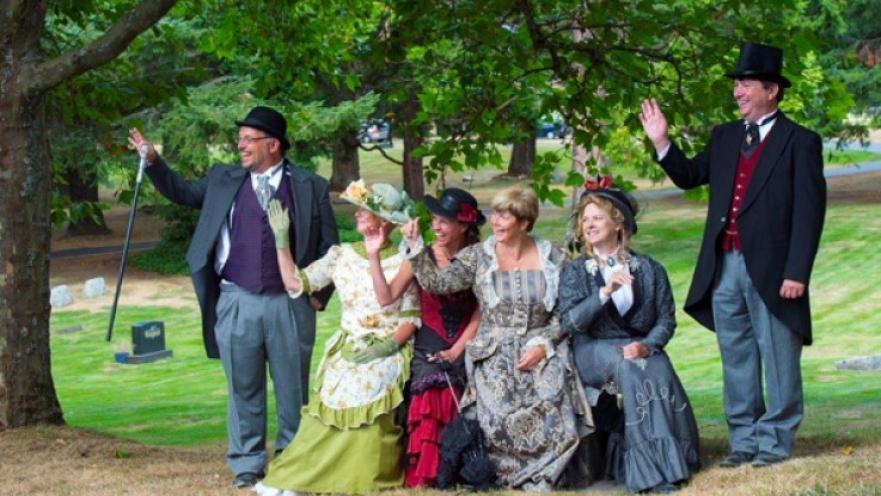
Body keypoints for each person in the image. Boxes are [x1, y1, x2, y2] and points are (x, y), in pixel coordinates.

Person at [127, 106, 339, 488]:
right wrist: (155, 161)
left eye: (248, 139)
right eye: (239, 138)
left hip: (290, 304)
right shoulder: (223, 179)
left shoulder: (310, 186)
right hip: (236, 300)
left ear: (273, 145)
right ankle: (246, 464)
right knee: (243, 388)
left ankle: (291, 461)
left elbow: (331, 248)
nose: (240, 145)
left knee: (293, 388)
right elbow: (180, 191)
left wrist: (319, 296)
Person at [639, 42, 826, 468]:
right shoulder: (725, 137)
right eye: (737, 84)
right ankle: (744, 441)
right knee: (737, 356)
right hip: (724, 266)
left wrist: (798, 272)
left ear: (772, 89)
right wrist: (662, 142)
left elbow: (809, 214)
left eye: (745, 84)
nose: (737, 91)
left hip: (776, 270)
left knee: (778, 357)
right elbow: (689, 176)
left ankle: (775, 442)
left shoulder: (801, 142)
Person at [400, 186, 594, 491]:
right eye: (496, 215)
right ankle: (501, 475)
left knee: (550, 397)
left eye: (505, 217)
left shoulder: (552, 257)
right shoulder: (479, 256)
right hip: (493, 350)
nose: (497, 223)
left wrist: (543, 345)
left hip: (539, 345)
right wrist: (415, 247)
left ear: (525, 222)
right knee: (498, 408)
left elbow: (564, 314)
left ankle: (546, 474)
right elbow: (438, 283)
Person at [254, 181, 421, 495]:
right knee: (332, 395)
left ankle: (358, 476)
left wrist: (388, 345)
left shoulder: (405, 260)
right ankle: (298, 478)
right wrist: (281, 241)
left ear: (383, 221)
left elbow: (411, 317)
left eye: (366, 211)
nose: (358, 214)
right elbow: (295, 283)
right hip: (349, 342)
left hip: (387, 346)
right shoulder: (339, 255)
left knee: (372, 384)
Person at [558, 185, 700, 493]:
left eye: (597, 218)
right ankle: (650, 474)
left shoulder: (650, 269)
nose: (589, 225)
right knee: (628, 367)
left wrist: (647, 345)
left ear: (618, 223)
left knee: (658, 364)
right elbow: (569, 322)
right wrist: (603, 293)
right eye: (585, 220)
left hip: (636, 346)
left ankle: (674, 462)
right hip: (591, 350)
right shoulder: (575, 271)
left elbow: (666, 320)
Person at [364, 187, 483, 488]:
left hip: (468, 340)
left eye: (444, 221)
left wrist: (458, 349)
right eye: (433, 220)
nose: (436, 227)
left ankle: (465, 469)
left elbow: (481, 312)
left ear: (464, 225)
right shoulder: (420, 256)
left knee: (467, 387)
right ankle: (429, 474)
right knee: (432, 389)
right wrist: (373, 256)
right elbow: (386, 296)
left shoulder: (478, 258)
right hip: (429, 341)